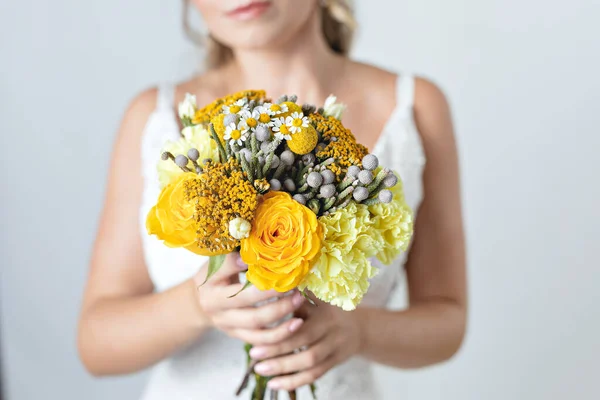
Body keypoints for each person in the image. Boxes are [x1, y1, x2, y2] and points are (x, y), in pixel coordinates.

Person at [77, 0, 467, 398]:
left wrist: (358, 332)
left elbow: (447, 322)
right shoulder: (154, 117)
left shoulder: (415, 107)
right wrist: (195, 308)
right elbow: (95, 344)